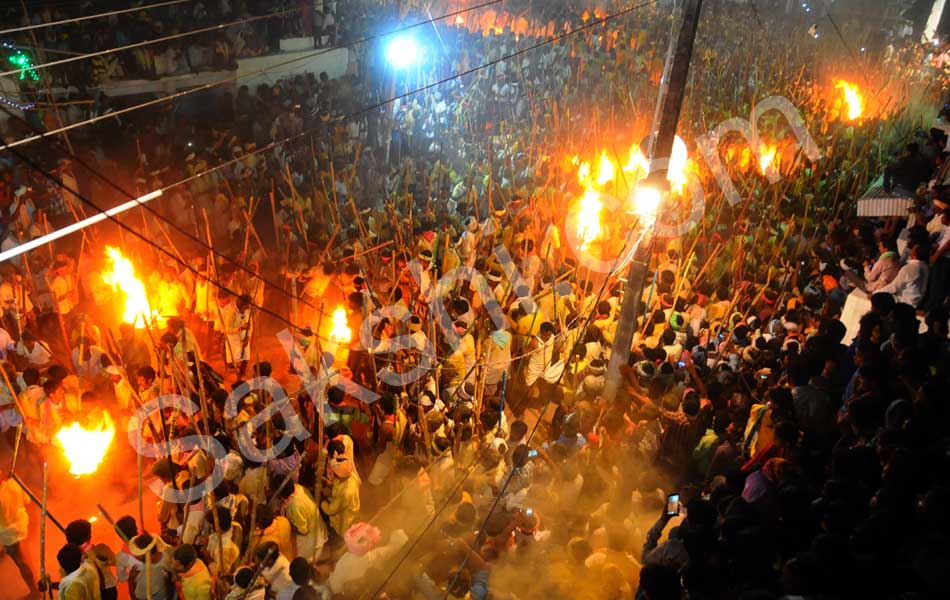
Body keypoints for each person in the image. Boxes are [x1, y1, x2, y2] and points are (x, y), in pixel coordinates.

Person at [0, 470, 37, 596]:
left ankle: (35, 592)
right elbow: (27, 500)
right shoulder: (14, 482)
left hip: (8, 534)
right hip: (21, 524)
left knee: (20, 561)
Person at [321, 439, 361, 539]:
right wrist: (330, 486)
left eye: (335, 472)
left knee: (342, 535)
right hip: (346, 507)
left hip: (344, 518)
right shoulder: (348, 473)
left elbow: (331, 510)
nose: (333, 473)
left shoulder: (346, 491)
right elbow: (337, 485)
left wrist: (322, 502)